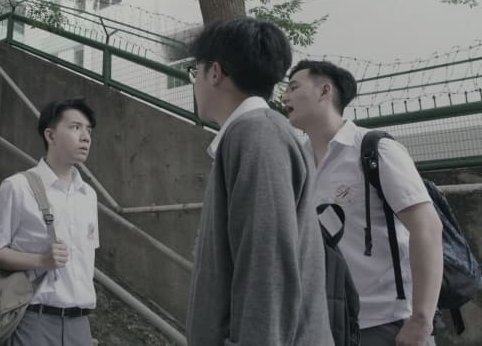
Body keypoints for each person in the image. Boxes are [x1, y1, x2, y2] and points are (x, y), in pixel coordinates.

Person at [185, 18, 333, 346]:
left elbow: (267, 266)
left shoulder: (257, 134)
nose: (194, 84)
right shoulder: (254, 132)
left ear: (215, 73)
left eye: (195, 72)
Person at [283, 60, 443, 346]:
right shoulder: (299, 164)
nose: (285, 97)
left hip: (388, 324)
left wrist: (421, 319)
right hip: (326, 322)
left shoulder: (374, 150)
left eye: (294, 87)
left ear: (325, 91)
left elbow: (428, 228)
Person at [0, 98, 98, 346]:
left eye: (88, 130)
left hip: (80, 325)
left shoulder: (89, 195)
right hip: (33, 321)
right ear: (50, 135)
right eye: (75, 127)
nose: (85, 137)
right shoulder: (17, 187)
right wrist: (41, 261)